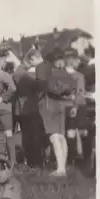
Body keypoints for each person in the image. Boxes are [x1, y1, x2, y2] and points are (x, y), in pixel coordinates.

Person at [36, 48, 74, 176]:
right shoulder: (65, 72)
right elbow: (71, 87)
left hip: (49, 104)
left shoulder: (48, 70)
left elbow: (48, 88)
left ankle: (60, 169)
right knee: (62, 136)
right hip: (62, 104)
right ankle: (63, 166)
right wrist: (64, 92)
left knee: (53, 136)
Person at [12, 48, 46, 169]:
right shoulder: (21, 73)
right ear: (32, 59)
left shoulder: (21, 71)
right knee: (33, 135)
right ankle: (35, 163)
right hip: (27, 108)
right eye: (39, 59)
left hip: (23, 109)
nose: (41, 62)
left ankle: (32, 162)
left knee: (28, 135)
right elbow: (37, 86)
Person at [64, 48, 88, 163]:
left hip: (65, 106)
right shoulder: (79, 76)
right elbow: (80, 92)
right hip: (79, 106)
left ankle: (71, 157)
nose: (78, 62)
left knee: (69, 131)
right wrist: (76, 106)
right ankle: (83, 157)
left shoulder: (60, 75)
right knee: (82, 131)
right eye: (77, 60)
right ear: (72, 61)